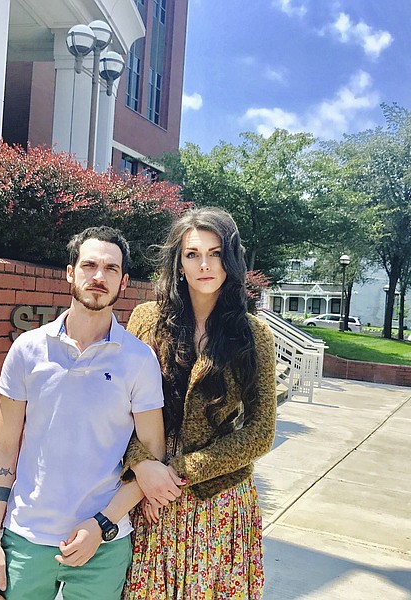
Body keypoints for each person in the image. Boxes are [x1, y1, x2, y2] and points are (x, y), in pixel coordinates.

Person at [0, 226, 183, 600]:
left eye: (111, 269)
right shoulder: (28, 349)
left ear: (124, 282)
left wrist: (103, 525)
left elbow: (152, 457)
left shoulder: (139, 359)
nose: (99, 277)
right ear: (70, 272)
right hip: (26, 540)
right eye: (89, 265)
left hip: (104, 546)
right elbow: (3, 447)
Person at [121, 207, 277, 599]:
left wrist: (177, 473)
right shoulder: (145, 320)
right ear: (179, 264)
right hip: (150, 498)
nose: (204, 264)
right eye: (193, 254)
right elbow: (120, 406)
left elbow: (260, 432)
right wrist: (140, 465)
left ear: (231, 260)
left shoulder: (253, 335)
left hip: (219, 503)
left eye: (216, 252)